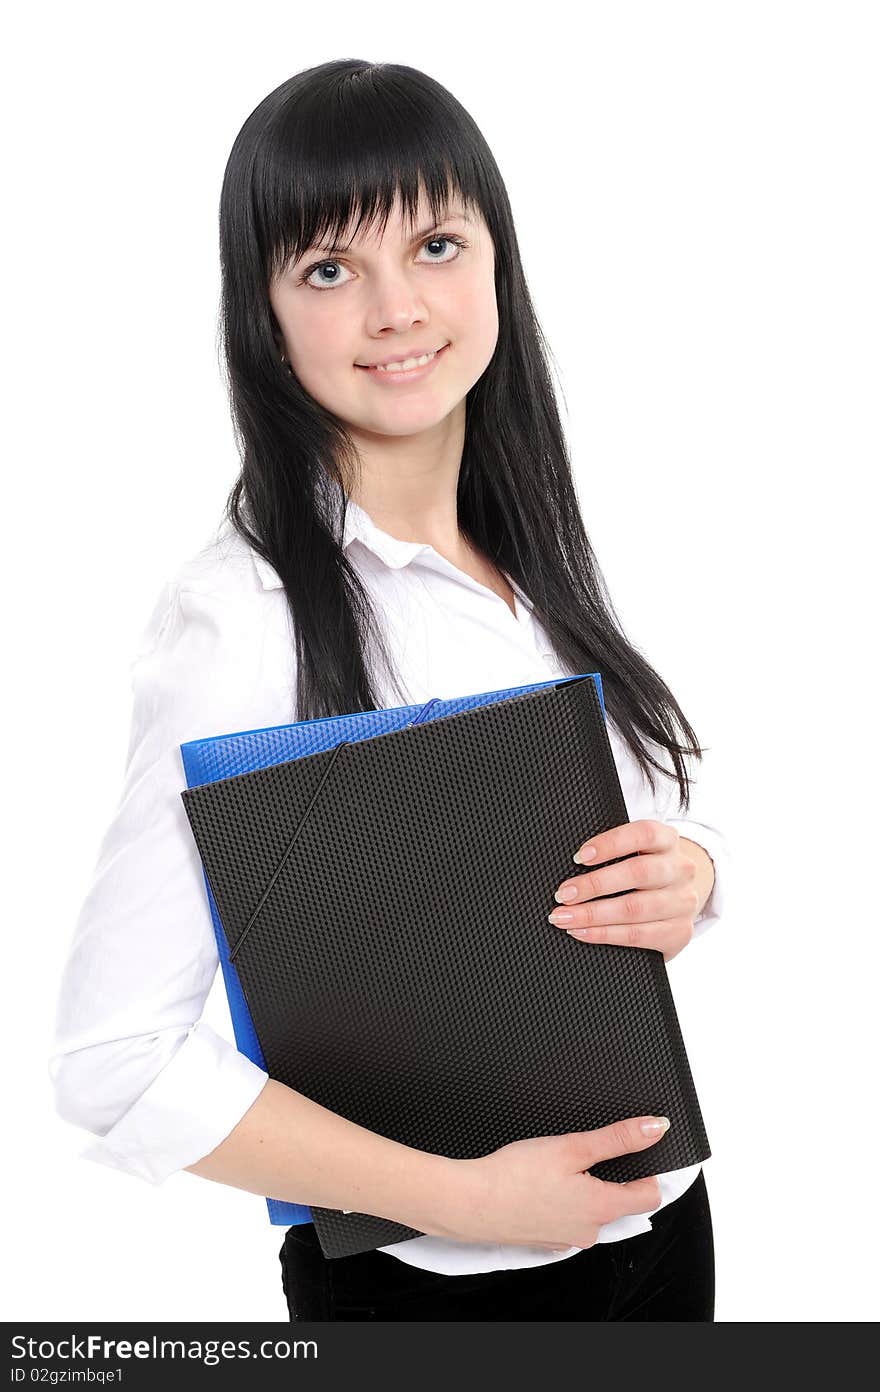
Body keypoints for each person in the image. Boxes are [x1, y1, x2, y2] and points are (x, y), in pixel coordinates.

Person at [49, 59, 731, 1322]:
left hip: (666, 1230)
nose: (395, 308)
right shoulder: (241, 619)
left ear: (495, 261)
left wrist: (690, 873)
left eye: (433, 243)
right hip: (442, 1294)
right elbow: (113, 1061)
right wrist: (455, 1197)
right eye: (327, 268)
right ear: (260, 312)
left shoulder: (532, 551)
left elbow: (649, 816)